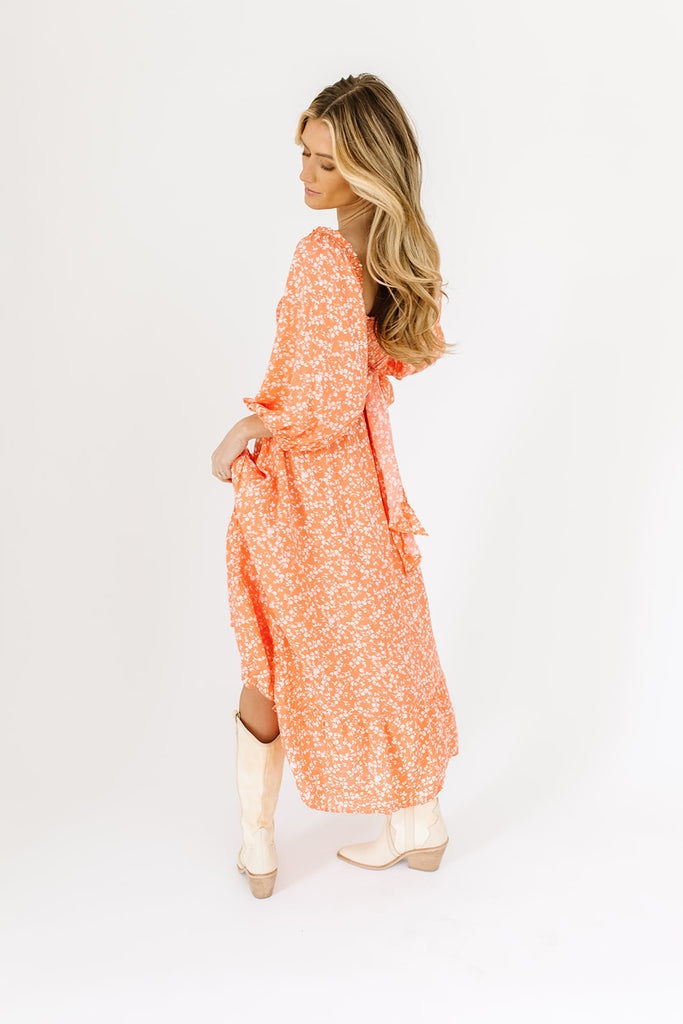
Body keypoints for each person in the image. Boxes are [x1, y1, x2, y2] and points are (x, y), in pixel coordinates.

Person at [211, 73, 459, 899]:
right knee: (386, 644)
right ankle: (418, 825)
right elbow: (391, 363)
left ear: (368, 169)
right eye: (305, 156)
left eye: (327, 162)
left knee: (268, 650)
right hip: (365, 486)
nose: (306, 176)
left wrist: (250, 428)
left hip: (305, 488)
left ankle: (257, 844)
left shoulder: (323, 256)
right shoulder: (384, 258)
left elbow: (317, 406)